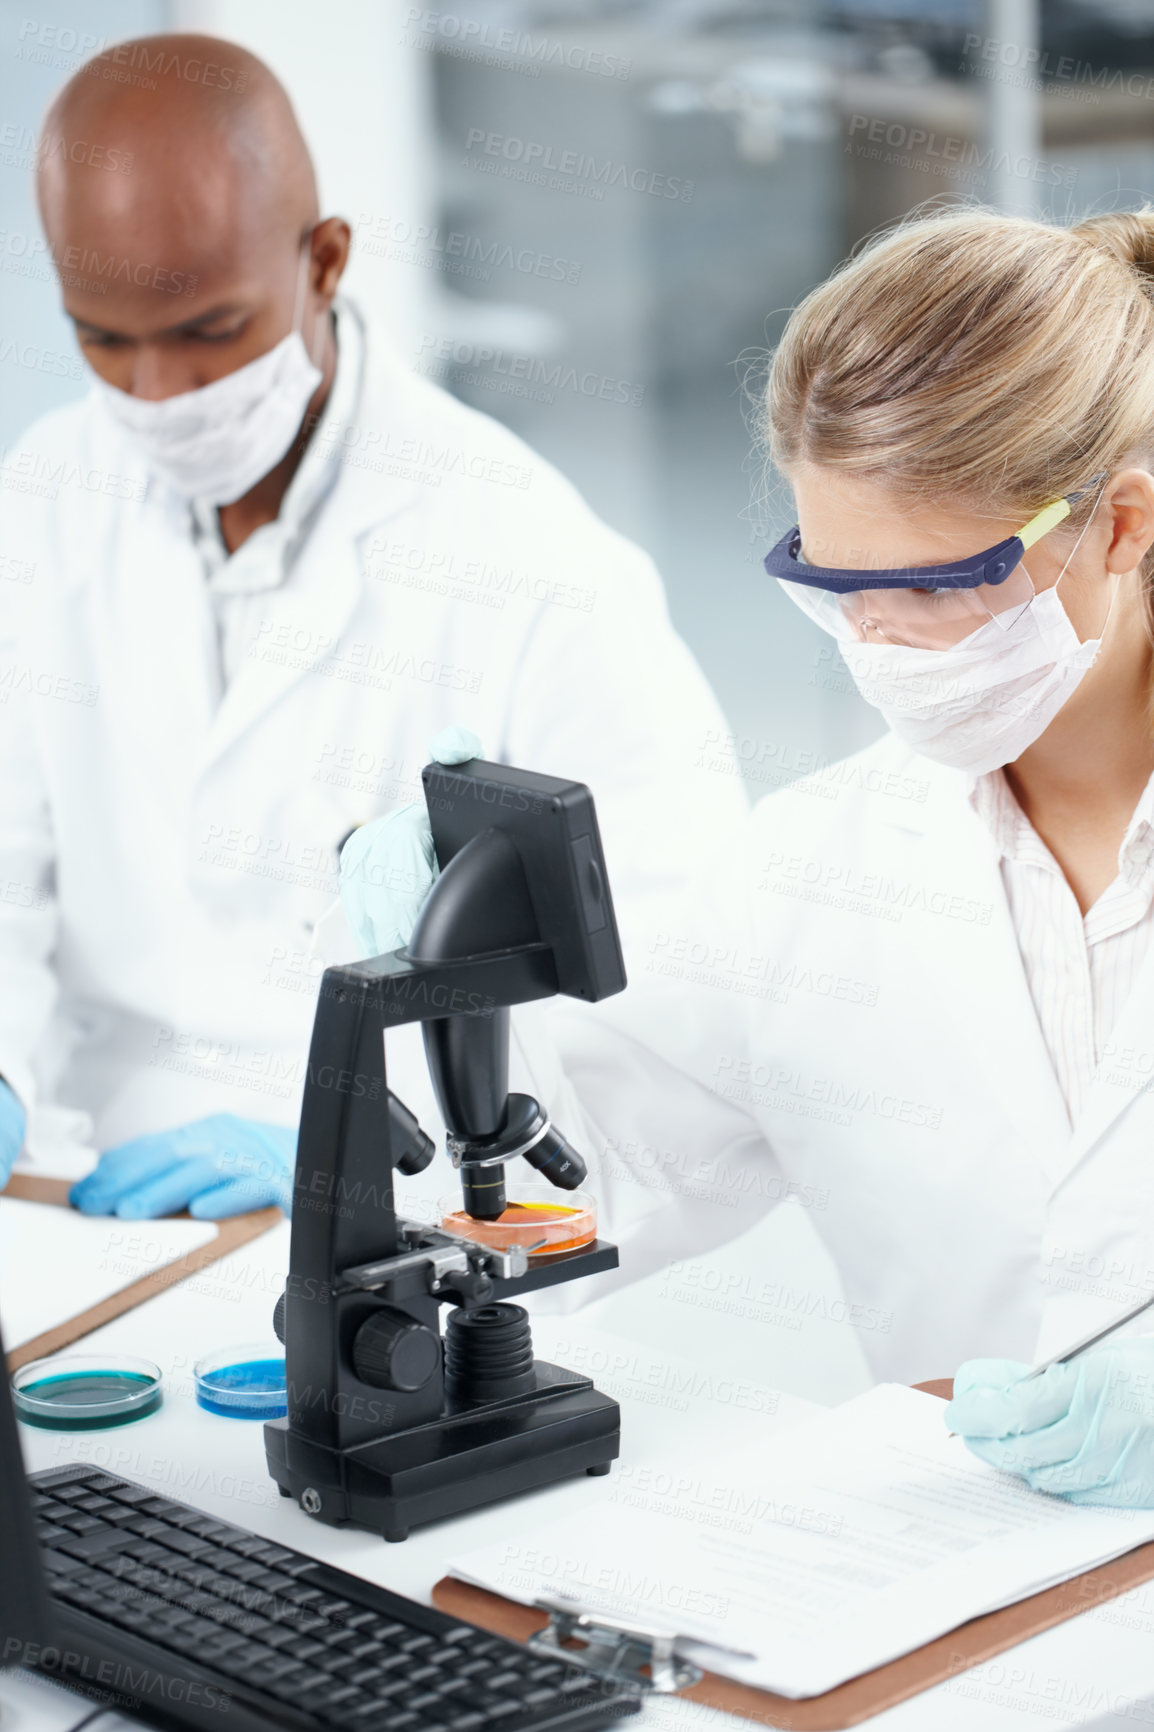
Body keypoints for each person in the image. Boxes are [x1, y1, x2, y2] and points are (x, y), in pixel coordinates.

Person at [345, 206, 1154, 1507]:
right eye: (836, 585)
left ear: (1115, 527)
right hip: (952, 1626)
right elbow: (573, 1188)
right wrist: (452, 986)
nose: (880, 644)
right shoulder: (812, 872)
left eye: (938, 587)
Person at [0, 34, 743, 1218]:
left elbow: (685, 984)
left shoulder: (534, 563)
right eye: (102, 337)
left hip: (398, 1212)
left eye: (207, 331)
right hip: (96, 1190)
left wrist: (360, 1139)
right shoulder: (41, 499)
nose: (154, 395)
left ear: (326, 259)